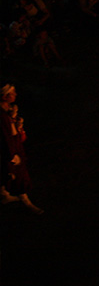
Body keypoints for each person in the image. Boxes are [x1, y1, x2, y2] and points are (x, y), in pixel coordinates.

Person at [0, 84, 43, 213]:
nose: (15, 95)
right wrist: (12, 154)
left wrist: (17, 124)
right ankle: (25, 201)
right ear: (4, 96)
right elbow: (5, 136)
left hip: (14, 147)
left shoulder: (8, 110)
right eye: (12, 93)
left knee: (11, 173)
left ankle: (4, 196)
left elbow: (13, 133)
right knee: (16, 174)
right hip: (9, 149)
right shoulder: (1, 115)